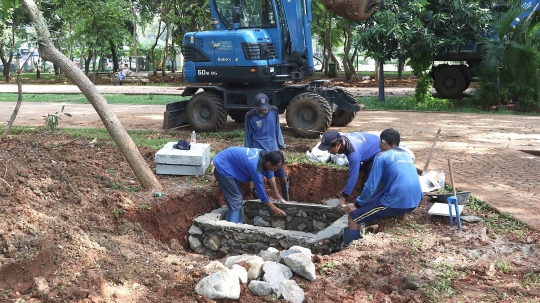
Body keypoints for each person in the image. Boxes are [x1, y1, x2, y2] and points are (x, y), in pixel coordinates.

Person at [340, 128, 423, 247]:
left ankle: (348, 249)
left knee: (353, 217)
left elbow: (370, 186)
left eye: (379, 142)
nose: (379, 145)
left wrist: (357, 204)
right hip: (415, 202)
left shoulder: (381, 157)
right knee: (384, 193)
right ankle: (401, 214)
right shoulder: (406, 155)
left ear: (383, 142)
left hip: (398, 202)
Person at [212, 147, 287, 223]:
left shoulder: (266, 155)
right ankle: (230, 228)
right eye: (275, 168)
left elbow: (270, 173)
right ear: (269, 163)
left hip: (229, 161)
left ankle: (238, 225)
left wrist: (277, 193)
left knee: (237, 197)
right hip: (223, 165)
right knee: (235, 199)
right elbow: (261, 193)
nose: (276, 170)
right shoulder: (255, 167)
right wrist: (274, 209)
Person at [244, 93, 289, 201]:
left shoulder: (274, 111)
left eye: (265, 108)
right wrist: (247, 151)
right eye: (261, 109)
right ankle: (260, 203)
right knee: (261, 181)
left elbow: (277, 129)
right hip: (259, 154)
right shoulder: (250, 116)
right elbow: (248, 135)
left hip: (273, 151)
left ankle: (287, 201)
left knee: (283, 178)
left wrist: (281, 147)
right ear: (255, 105)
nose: (264, 111)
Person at [318, 131, 381, 204]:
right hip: (368, 146)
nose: (328, 151)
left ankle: (365, 205)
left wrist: (343, 198)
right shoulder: (343, 140)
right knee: (362, 171)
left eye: (329, 149)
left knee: (368, 185)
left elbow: (354, 176)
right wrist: (360, 169)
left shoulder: (353, 153)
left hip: (378, 151)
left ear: (338, 145)